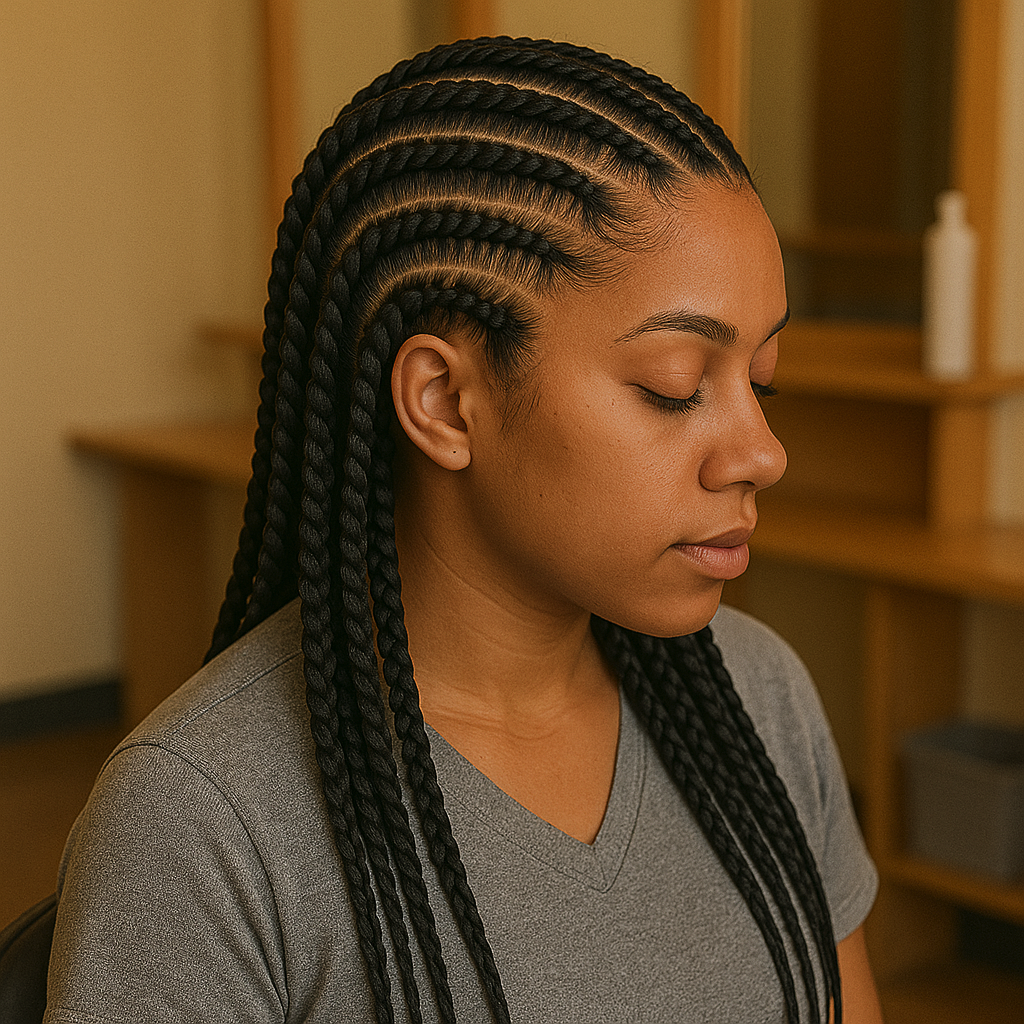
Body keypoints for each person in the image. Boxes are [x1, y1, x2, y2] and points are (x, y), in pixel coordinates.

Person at [43, 36, 882, 1024]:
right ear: (444, 401)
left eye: (761, 380)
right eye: (675, 387)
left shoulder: (759, 696)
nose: (762, 452)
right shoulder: (203, 823)